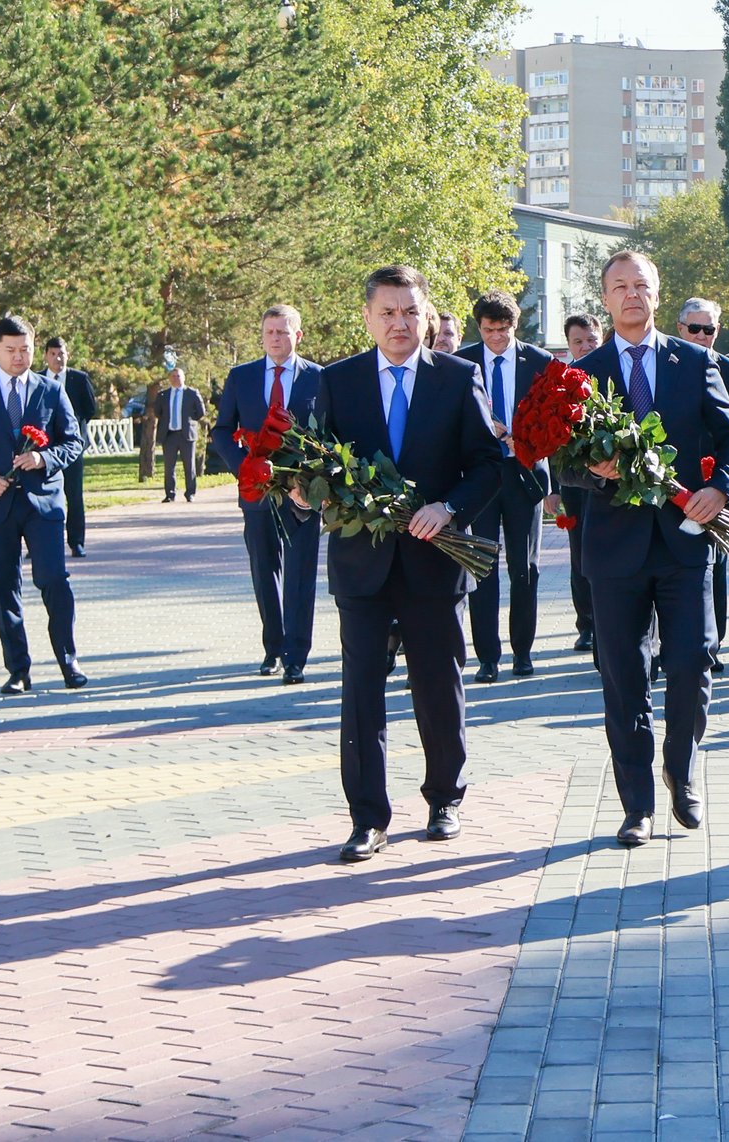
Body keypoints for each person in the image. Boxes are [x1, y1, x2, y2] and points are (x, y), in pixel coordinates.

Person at [310, 264, 505, 861]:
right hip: (361, 566)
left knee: (438, 690)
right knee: (361, 693)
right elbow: (314, 463)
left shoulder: (458, 377)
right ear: (368, 317)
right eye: (388, 313)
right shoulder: (337, 382)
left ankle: (444, 799)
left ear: (427, 316)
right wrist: (305, 490)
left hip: (433, 564)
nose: (400, 323)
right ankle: (368, 818)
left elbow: (490, 464)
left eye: (410, 312)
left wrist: (449, 508)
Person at [567, 250, 729, 847]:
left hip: (685, 541)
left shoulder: (693, 361)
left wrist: (719, 490)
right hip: (614, 549)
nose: (631, 295)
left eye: (640, 285)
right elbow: (563, 463)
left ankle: (681, 765)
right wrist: (595, 470)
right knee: (623, 676)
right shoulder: (582, 373)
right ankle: (636, 804)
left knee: (693, 660)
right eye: (619, 287)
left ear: (657, 292)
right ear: (605, 297)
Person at [0, 314, 88, 693]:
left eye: (25, 350)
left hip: (43, 504)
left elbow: (74, 442)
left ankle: (69, 661)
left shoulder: (50, 391)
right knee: (4, 589)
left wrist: (44, 458)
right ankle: (18, 670)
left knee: (54, 581)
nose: (18, 357)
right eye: (10, 350)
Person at [213, 304, 323, 683]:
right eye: (269, 332)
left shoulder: (320, 379)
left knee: (300, 571)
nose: (275, 338)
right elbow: (223, 430)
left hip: (302, 494)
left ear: (298, 335)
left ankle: (296, 654)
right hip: (257, 491)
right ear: (261, 336)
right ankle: (273, 647)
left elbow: (327, 435)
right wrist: (247, 468)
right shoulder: (241, 377)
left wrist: (308, 484)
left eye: (283, 331)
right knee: (264, 569)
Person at [456, 290, 556, 682]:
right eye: (487, 330)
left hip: (525, 474)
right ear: (478, 327)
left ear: (515, 326)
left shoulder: (540, 361)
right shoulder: (462, 362)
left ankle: (523, 652)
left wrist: (524, 440)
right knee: (482, 565)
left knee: (524, 567)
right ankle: (487, 656)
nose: (495, 337)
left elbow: (555, 421)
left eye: (502, 329)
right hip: (480, 477)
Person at [678, 297, 729, 674]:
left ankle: (713, 644)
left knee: (717, 564)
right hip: (672, 482)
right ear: (681, 329)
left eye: (710, 329)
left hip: (715, 485)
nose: (703, 336)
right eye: (695, 329)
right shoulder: (669, 363)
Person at [557, 313, 602, 653]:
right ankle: (585, 622)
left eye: (591, 340)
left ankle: (604, 621)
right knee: (580, 554)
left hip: (612, 478)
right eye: (578, 342)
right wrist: (552, 488)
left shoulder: (610, 371)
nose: (585, 347)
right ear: (569, 345)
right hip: (574, 481)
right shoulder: (559, 383)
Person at [41, 337, 97, 558]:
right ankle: (42, 543)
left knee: (74, 495)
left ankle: (76, 542)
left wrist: (73, 430)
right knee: (42, 495)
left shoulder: (79, 380)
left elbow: (90, 409)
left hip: (71, 449)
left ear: (68, 355)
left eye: (61, 353)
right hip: (44, 450)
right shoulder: (37, 379)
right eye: (53, 354)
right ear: (46, 356)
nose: (58, 358)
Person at [155, 369, 204, 502]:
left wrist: (189, 421)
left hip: (186, 435)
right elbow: (157, 412)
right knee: (169, 466)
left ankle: (190, 493)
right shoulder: (163, 395)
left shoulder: (192, 393)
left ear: (184, 378)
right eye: (173, 376)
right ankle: (170, 494)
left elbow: (200, 412)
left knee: (189, 466)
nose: (176, 378)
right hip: (169, 435)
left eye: (178, 376)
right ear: (169, 378)